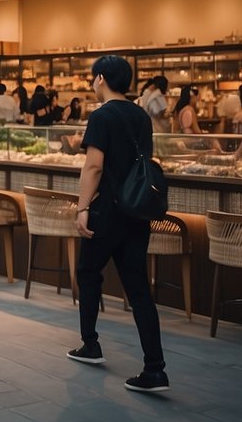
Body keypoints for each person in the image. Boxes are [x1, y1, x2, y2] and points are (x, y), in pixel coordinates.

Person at [69, 55, 168, 392]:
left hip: (106, 211)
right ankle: (155, 368)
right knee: (139, 288)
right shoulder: (141, 115)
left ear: (100, 79)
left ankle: (90, 343)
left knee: (88, 272)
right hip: (136, 211)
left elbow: (93, 166)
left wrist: (82, 208)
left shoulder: (102, 116)